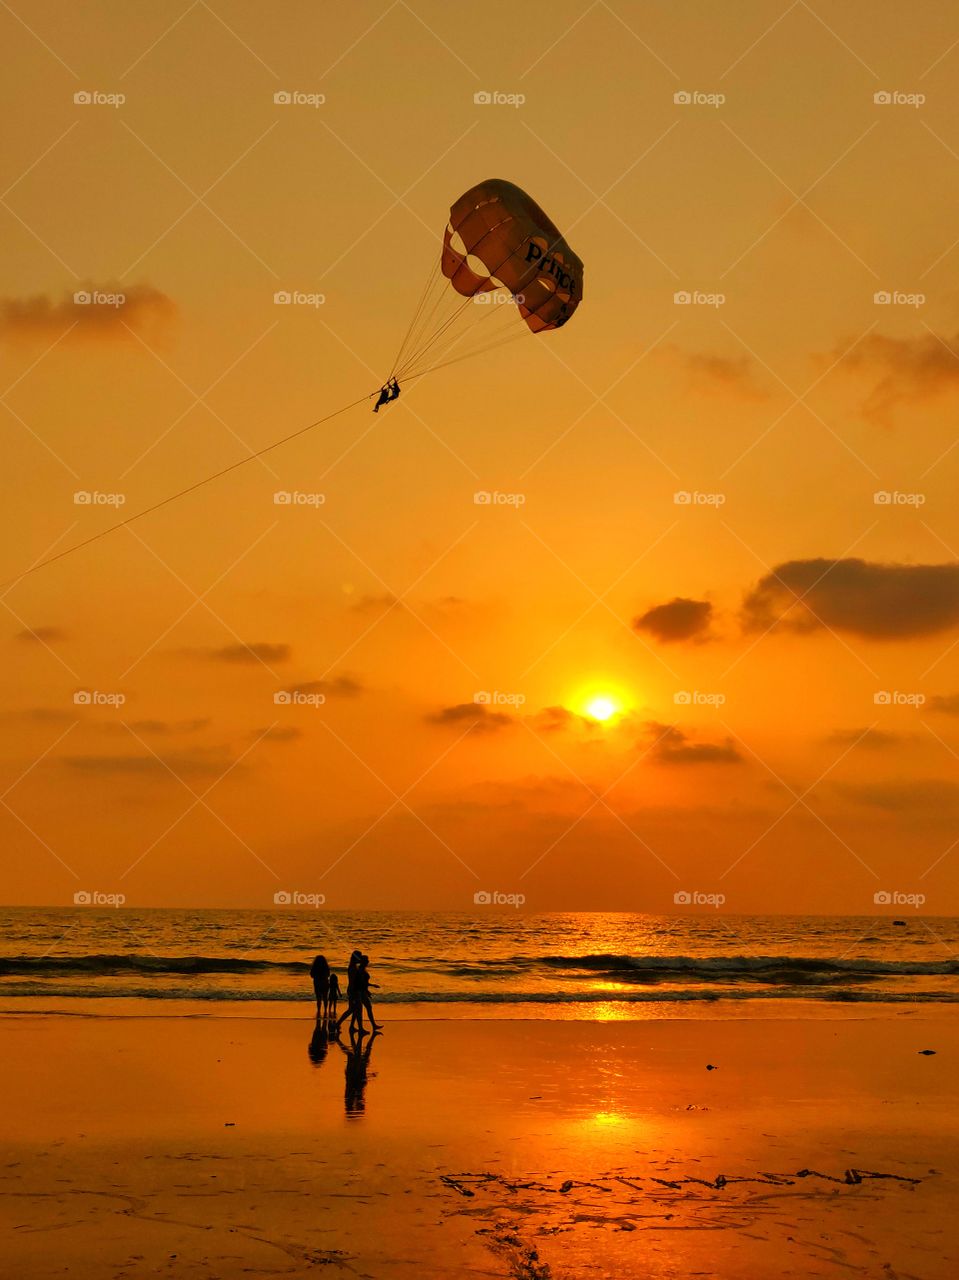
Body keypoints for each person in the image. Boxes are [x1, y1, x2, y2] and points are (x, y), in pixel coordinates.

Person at [335, 951, 363, 1035]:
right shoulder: (353, 968)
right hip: (353, 990)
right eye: (359, 957)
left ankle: (351, 1026)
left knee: (355, 1009)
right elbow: (354, 981)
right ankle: (338, 1024)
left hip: (352, 989)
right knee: (354, 1009)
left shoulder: (353, 966)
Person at [355, 954, 382, 1032]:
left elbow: (364, 982)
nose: (368, 961)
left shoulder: (362, 969)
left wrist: (367, 990)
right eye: (367, 960)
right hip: (360, 992)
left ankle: (373, 1025)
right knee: (359, 1009)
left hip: (363, 991)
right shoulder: (360, 970)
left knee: (358, 1010)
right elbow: (362, 983)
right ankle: (372, 1025)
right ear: (363, 962)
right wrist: (372, 985)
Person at [309, 954, 329, 1020]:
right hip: (325, 983)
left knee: (318, 998)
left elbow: (311, 975)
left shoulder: (315, 967)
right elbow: (328, 974)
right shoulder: (325, 967)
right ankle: (325, 1010)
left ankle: (319, 1010)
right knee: (325, 997)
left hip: (317, 983)